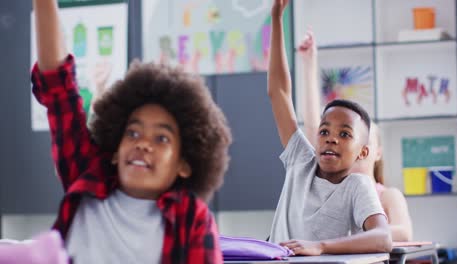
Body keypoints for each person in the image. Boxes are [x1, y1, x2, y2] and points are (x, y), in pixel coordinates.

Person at [31, 0, 232, 263]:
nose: (143, 144)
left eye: (161, 138)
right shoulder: (87, 174)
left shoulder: (191, 218)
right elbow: (57, 86)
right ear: (115, 151)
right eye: (133, 133)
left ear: (183, 163)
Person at [267, 0, 392, 256]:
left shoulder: (357, 186)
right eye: (324, 131)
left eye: (344, 134)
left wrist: (320, 246)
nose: (331, 139)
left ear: (363, 153)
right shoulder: (301, 160)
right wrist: (277, 21)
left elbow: (383, 239)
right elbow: (279, 93)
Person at [298, 30, 413, 242]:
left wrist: (357, 234)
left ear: (372, 152)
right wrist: (308, 63)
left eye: (349, 136)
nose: (338, 141)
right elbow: (313, 126)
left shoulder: (387, 195)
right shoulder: (337, 192)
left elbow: (404, 233)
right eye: (336, 136)